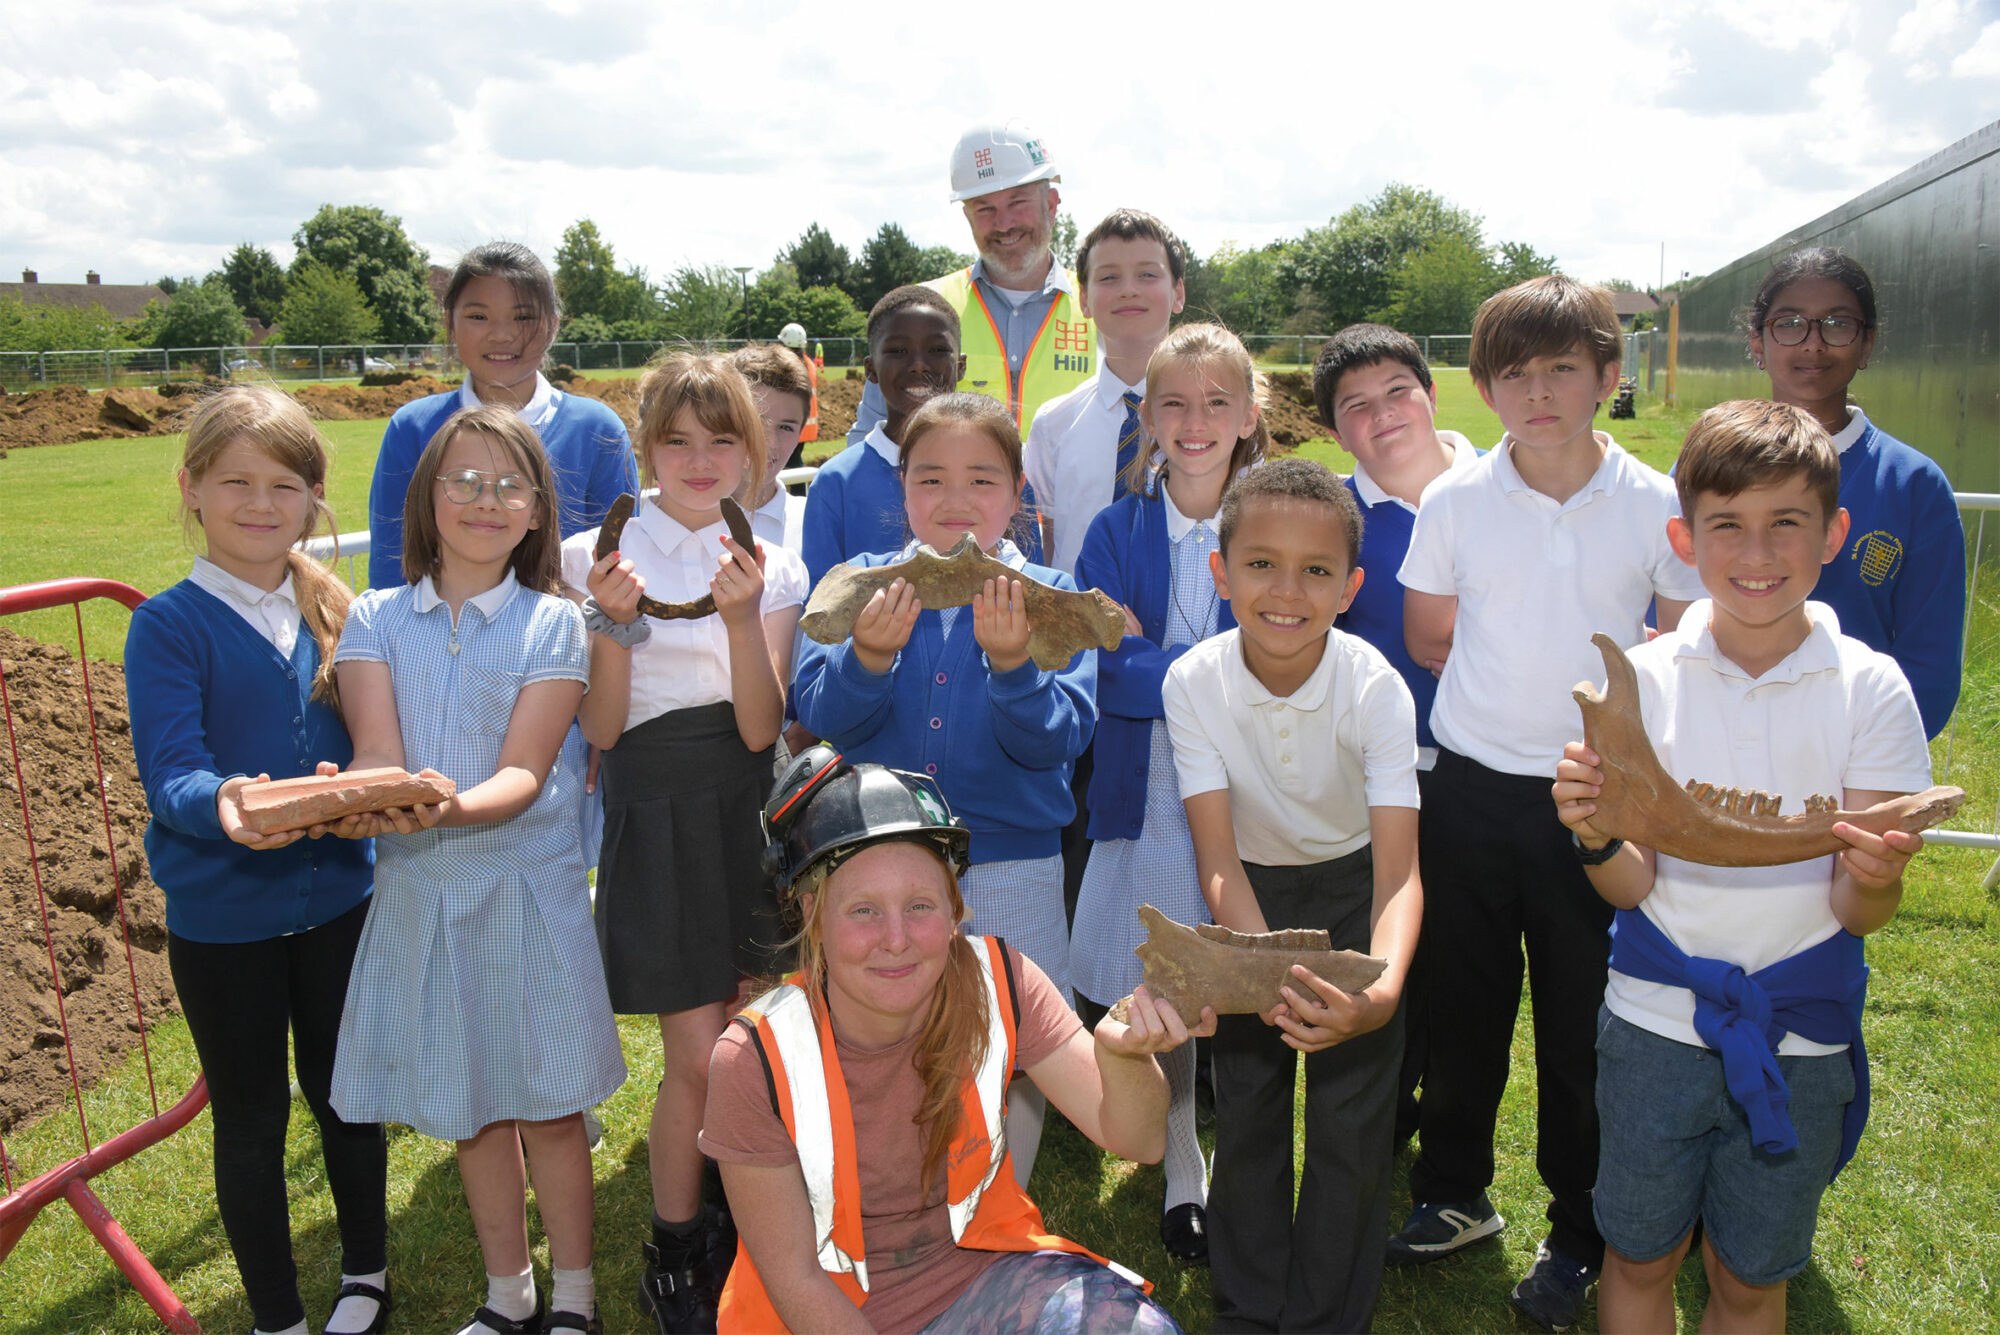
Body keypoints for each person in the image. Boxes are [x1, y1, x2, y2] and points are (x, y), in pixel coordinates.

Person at [1553, 399, 1936, 1334]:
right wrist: (1598, 834)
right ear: (1686, 538)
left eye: (1785, 524)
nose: (1755, 553)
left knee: (1751, 1277)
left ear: (1834, 533)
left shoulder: (1871, 687)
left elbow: (1855, 909)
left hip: (1799, 1037)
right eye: (1727, 525)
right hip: (1652, 1024)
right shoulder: (1641, 685)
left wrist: (1879, 873)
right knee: (1638, 1256)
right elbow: (1632, 885)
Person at [1392, 276, 1706, 1331]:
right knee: (1460, 1005)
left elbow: (1670, 646)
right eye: (1514, 374)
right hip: (1471, 789)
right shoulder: (1453, 502)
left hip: (1594, 801)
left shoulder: (1659, 505)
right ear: (1481, 387)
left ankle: (1577, 1230)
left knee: (1583, 1023)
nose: (1537, 393)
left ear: (1607, 378)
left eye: (1561, 369)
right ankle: (1451, 1193)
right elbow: (1430, 637)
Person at [700, 749, 1211, 1334]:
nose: (896, 940)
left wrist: (1125, 1058)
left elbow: (1140, 1139)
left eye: (919, 906)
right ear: (812, 915)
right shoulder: (756, 1061)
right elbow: (796, 1279)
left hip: (982, 1284)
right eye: (863, 910)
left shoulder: (1002, 982)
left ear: (954, 910)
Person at [330, 405, 626, 1335]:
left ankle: (573, 1295)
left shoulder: (556, 625)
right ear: (427, 497)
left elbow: (525, 771)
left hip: (527, 895)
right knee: (470, 1111)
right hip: (424, 898)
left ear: (538, 510)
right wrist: (347, 799)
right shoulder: (374, 618)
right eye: (462, 480)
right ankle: (509, 1295)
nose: (484, 500)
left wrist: (438, 803)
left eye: (508, 485)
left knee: (548, 1109)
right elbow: (377, 750)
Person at [125, 385, 387, 1335]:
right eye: (235, 480)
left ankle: (367, 1271)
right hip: (223, 921)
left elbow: (373, 743)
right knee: (250, 1120)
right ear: (191, 487)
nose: (260, 503)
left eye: (285, 484)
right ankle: (275, 1314)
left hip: (338, 909)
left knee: (346, 1097)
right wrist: (228, 802)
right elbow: (174, 773)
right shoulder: (167, 625)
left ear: (315, 499)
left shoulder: (339, 611)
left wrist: (364, 785)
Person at [560, 353, 808, 1335]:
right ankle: (675, 1241)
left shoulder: (773, 564)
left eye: (720, 441)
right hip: (651, 802)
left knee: (755, 1045)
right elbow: (605, 732)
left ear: (751, 450)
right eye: (676, 440)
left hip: (744, 803)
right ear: (645, 448)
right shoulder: (593, 556)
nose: (698, 461)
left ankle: (755, 1229)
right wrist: (610, 632)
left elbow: (760, 728)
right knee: (697, 1055)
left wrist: (744, 616)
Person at [794, 391, 1096, 1187]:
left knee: (1012, 1039)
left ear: (1018, 491)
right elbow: (821, 715)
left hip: (1013, 866)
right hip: (880, 864)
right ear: (901, 491)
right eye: (930, 479)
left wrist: (1013, 667)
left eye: (982, 481)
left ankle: (1002, 1202)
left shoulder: (1053, 592)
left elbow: (1059, 739)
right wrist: (866, 658)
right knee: (885, 1032)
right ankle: (898, 1199)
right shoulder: (860, 585)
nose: (955, 501)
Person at [1163, 457, 1423, 1333]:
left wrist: (1379, 992)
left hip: (1356, 891)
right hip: (1248, 901)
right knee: (1247, 1103)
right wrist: (1268, 969)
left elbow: (1400, 874)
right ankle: (1248, 1304)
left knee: (1352, 1115)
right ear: (1220, 571)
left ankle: (1324, 1316)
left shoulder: (1376, 688)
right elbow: (1219, 858)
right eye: (1260, 563)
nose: (1287, 590)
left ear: (1349, 588)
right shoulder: (1192, 680)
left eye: (1316, 571)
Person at [1069, 322, 1263, 1265]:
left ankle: (1253, 1156)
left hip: (1250, 784)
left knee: (1242, 970)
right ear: (1147, 417)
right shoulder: (1118, 528)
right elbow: (1103, 664)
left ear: (1249, 415)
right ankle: (1184, 1159)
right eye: (1173, 403)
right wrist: (1206, 666)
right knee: (1166, 970)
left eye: (1216, 402)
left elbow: (1278, 653)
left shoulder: (1266, 521)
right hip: (1144, 783)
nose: (1194, 422)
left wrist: (1164, 662)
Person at [1312, 323, 1480, 1149]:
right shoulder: (1335, 521)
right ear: (1336, 431)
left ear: (1432, 394)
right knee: (1383, 947)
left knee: (1466, 968)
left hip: (1491, 772)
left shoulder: (1502, 492)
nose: (1382, 417)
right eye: (1355, 407)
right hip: (1380, 779)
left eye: (1397, 393)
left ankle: (1450, 1141)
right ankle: (1387, 1113)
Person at [1744, 247, 1965, 738]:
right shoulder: (1705, 469)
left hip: (1856, 763)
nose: (1813, 344)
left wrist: (1872, 762)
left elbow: (1930, 663)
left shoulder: (1914, 485)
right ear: (1758, 342)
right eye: (1790, 323)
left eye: (1838, 324)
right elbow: (1665, 620)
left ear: (1867, 345)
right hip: (1714, 757)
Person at [366, 242, 637, 590]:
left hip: (572, 640)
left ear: (554, 325)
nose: (501, 334)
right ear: (450, 321)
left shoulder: (598, 430)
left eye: (523, 317)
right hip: (436, 642)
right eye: (478, 316)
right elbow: (391, 565)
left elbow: (622, 563)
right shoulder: (413, 428)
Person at [847, 121, 1094, 445]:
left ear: (1050, 204)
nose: (1004, 224)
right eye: (985, 208)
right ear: (967, 217)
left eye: (1017, 203)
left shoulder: (1101, 309)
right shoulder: (922, 308)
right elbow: (870, 442)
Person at [1024, 208, 1187, 578]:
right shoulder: (1053, 424)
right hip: (1078, 625)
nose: (1128, 289)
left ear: (1178, 293)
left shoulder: (1214, 421)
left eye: (1147, 274)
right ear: (1084, 299)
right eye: (1109, 277)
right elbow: (1050, 539)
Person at [800, 286, 966, 585]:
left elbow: (1034, 597)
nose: (918, 364)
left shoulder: (998, 475)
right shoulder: (835, 483)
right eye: (898, 351)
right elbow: (818, 614)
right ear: (870, 369)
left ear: (961, 366)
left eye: (937, 350)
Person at [729, 343, 814, 553]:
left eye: (786, 427)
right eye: (756, 422)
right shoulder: (686, 523)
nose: (770, 443)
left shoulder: (812, 523)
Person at [777, 321, 819, 462]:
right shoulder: (808, 363)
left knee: (792, 462)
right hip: (805, 423)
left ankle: (800, 485)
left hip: (792, 423)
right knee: (793, 459)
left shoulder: (789, 365)